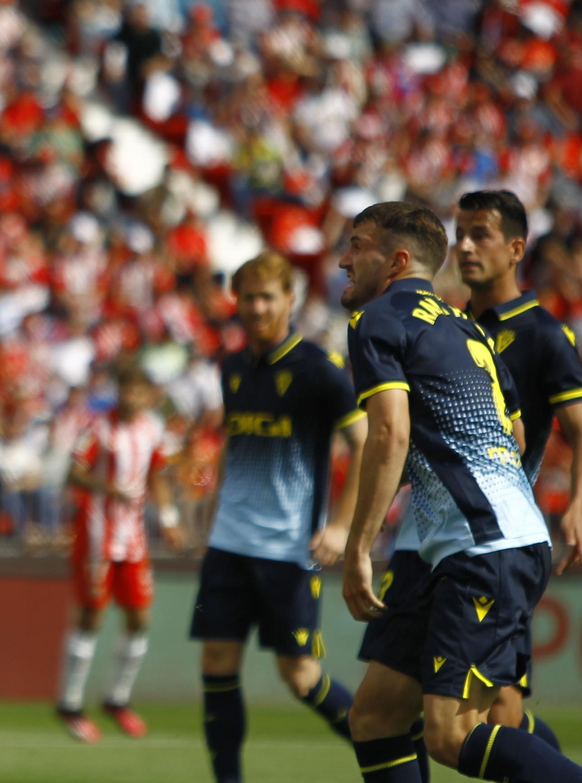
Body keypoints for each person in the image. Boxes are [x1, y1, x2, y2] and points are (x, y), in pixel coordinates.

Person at [338, 202, 582, 783]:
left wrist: (357, 545)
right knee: (376, 716)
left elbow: (389, 432)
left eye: (357, 246)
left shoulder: (377, 320)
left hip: (481, 545)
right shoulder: (467, 330)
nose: (343, 261)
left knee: (453, 735)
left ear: (397, 261)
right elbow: (516, 434)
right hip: (473, 540)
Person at [191, 251, 369, 781]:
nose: (257, 308)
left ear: (290, 300)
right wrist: (211, 510)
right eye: (248, 298)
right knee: (216, 663)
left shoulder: (320, 370)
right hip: (229, 543)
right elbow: (235, 444)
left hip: (289, 549)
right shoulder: (231, 368)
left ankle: (392, 749)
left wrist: (341, 526)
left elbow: (364, 444)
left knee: (301, 676)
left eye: (267, 297)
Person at [56, 363, 183, 743]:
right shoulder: (99, 428)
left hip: (133, 539)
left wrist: (170, 518)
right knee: (91, 616)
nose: (133, 398)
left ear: (148, 396)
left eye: (140, 391)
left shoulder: (152, 429)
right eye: (128, 390)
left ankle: (117, 698)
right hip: (97, 535)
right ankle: (70, 703)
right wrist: (108, 488)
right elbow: (73, 472)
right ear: (119, 392)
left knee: (140, 617)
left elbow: (156, 475)